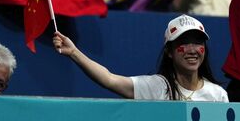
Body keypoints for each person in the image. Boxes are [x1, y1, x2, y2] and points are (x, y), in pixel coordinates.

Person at [53, 14, 228, 102]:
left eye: (198, 43)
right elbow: (109, 79)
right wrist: (74, 52)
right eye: (183, 43)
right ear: (169, 51)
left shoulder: (218, 95)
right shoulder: (156, 87)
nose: (192, 50)